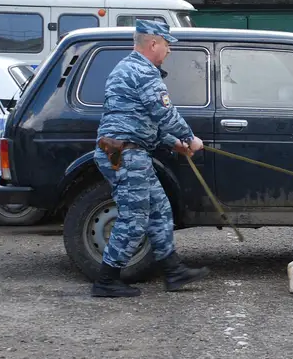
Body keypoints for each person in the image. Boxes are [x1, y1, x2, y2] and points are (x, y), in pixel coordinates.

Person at [90, 19, 210, 298]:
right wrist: (189, 138)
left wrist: (174, 144)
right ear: (153, 43)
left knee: (159, 210)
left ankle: (173, 270)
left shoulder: (129, 68)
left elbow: (138, 121)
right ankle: (106, 280)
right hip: (126, 153)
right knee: (134, 218)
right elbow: (163, 114)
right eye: (167, 44)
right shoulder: (142, 71)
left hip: (129, 149)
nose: (169, 50)